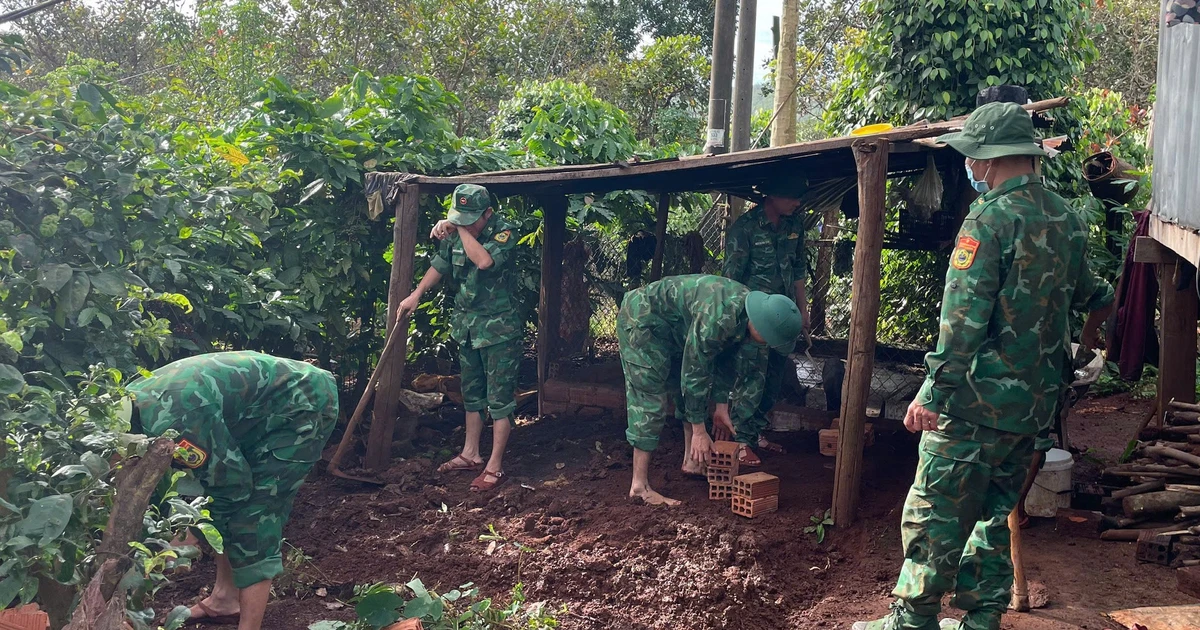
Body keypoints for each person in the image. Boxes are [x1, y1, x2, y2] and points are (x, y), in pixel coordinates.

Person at [853, 102, 1114, 630]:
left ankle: (914, 621)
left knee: (935, 511)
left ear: (989, 160)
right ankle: (981, 619)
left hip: (973, 404)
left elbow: (963, 324)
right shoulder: (1067, 218)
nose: (970, 168)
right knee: (995, 515)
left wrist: (932, 392)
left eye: (973, 158)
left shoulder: (989, 220)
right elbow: (1096, 293)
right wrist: (1081, 347)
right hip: (1032, 409)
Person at [120, 351, 339, 630]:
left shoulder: (174, 421)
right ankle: (225, 599)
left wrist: (191, 534)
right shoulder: (125, 404)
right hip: (256, 411)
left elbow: (232, 487)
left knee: (255, 516)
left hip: (301, 405)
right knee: (226, 504)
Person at [618, 274, 804, 506]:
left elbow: (724, 360)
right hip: (643, 322)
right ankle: (639, 487)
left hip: (673, 332)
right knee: (650, 400)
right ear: (759, 324)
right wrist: (698, 430)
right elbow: (695, 371)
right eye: (768, 338)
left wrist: (721, 406)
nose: (766, 343)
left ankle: (692, 462)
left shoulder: (745, 313)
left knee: (685, 391)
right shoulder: (718, 317)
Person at [397, 184, 523, 492]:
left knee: (500, 400)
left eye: (472, 218)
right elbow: (439, 266)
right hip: (467, 327)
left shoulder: (504, 232)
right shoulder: (456, 234)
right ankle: (470, 453)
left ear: (488, 213)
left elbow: (483, 261)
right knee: (472, 393)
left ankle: (494, 467)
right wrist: (416, 294)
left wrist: (459, 227)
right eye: (460, 216)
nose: (465, 223)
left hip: (499, 331)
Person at [720, 179, 810, 466]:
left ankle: (756, 433)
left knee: (773, 378)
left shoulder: (795, 226)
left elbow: (798, 269)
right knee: (750, 378)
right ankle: (741, 441)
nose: (797, 203)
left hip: (783, 318)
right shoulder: (744, 228)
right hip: (754, 320)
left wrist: (803, 309)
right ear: (772, 194)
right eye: (792, 196)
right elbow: (731, 280)